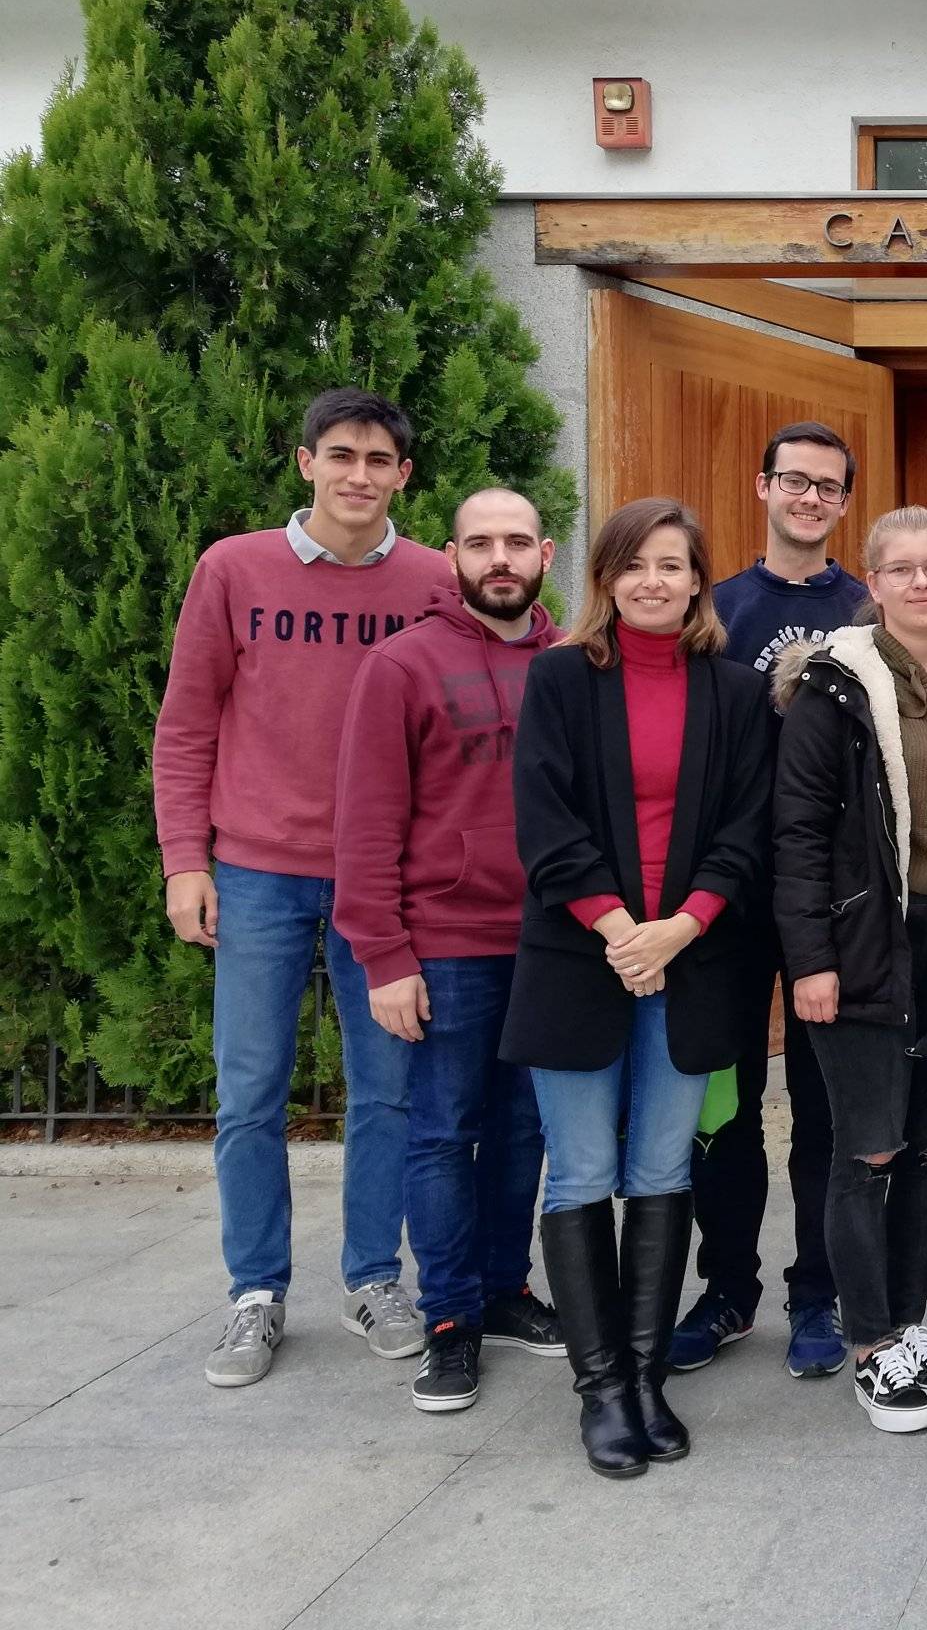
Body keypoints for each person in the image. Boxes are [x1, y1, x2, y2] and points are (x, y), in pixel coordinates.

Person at [157, 387, 449, 1389]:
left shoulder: (435, 580)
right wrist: (183, 861)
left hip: (384, 880)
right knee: (248, 1094)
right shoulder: (233, 569)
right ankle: (255, 1294)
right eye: (342, 455)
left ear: (404, 475)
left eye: (379, 459)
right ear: (305, 462)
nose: (359, 475)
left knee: (388, 1092)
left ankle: (375, 1277)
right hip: (256, 869)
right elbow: (187, 723)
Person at [502, 498, 773, 1478]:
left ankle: (648, 1375)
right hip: (583, 960)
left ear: (700, 579)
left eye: (673, 565)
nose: (654, 581)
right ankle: (601, 1388)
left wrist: (680, 926)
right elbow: (545, 821)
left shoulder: (736, 693)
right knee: (579, 1173)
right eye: (634, 565)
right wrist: (622, 931)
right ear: (606, 578)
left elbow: (746, 829)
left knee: (663, 1171)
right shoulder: (561, 679)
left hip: (690, 962)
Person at [335, 488, 567, 1414]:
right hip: (446, 947)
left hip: (552, 943)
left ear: (547, 553)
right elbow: (365, 823)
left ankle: (506, 1290)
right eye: (481, 544)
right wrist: (384, 955)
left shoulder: (572, 663)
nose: (499, 558)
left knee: (524, 1129)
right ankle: (449, 1318)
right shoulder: (401, 666)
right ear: (452, 555)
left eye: (516, 542)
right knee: (441, 1132)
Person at [772, 506, 927, 1434]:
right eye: (899, 569)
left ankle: (909, 1324)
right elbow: (795, 837)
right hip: (865, 942)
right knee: (867, 1150)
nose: (919, 582)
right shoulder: (833, 689)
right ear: (871, 583)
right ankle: (868, 1344)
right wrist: (811, 962)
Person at [673, 422, 873, 1380]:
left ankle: (819, 1292)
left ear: (844, 504)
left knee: (827, 1107)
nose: (808, 498)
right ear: (762, 487)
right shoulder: (711, 611)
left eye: (827, 488)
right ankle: (728, 1289)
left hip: (830, 899)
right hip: (725, 897)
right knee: (727, 1106)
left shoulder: (870, 610)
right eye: (793, 481)